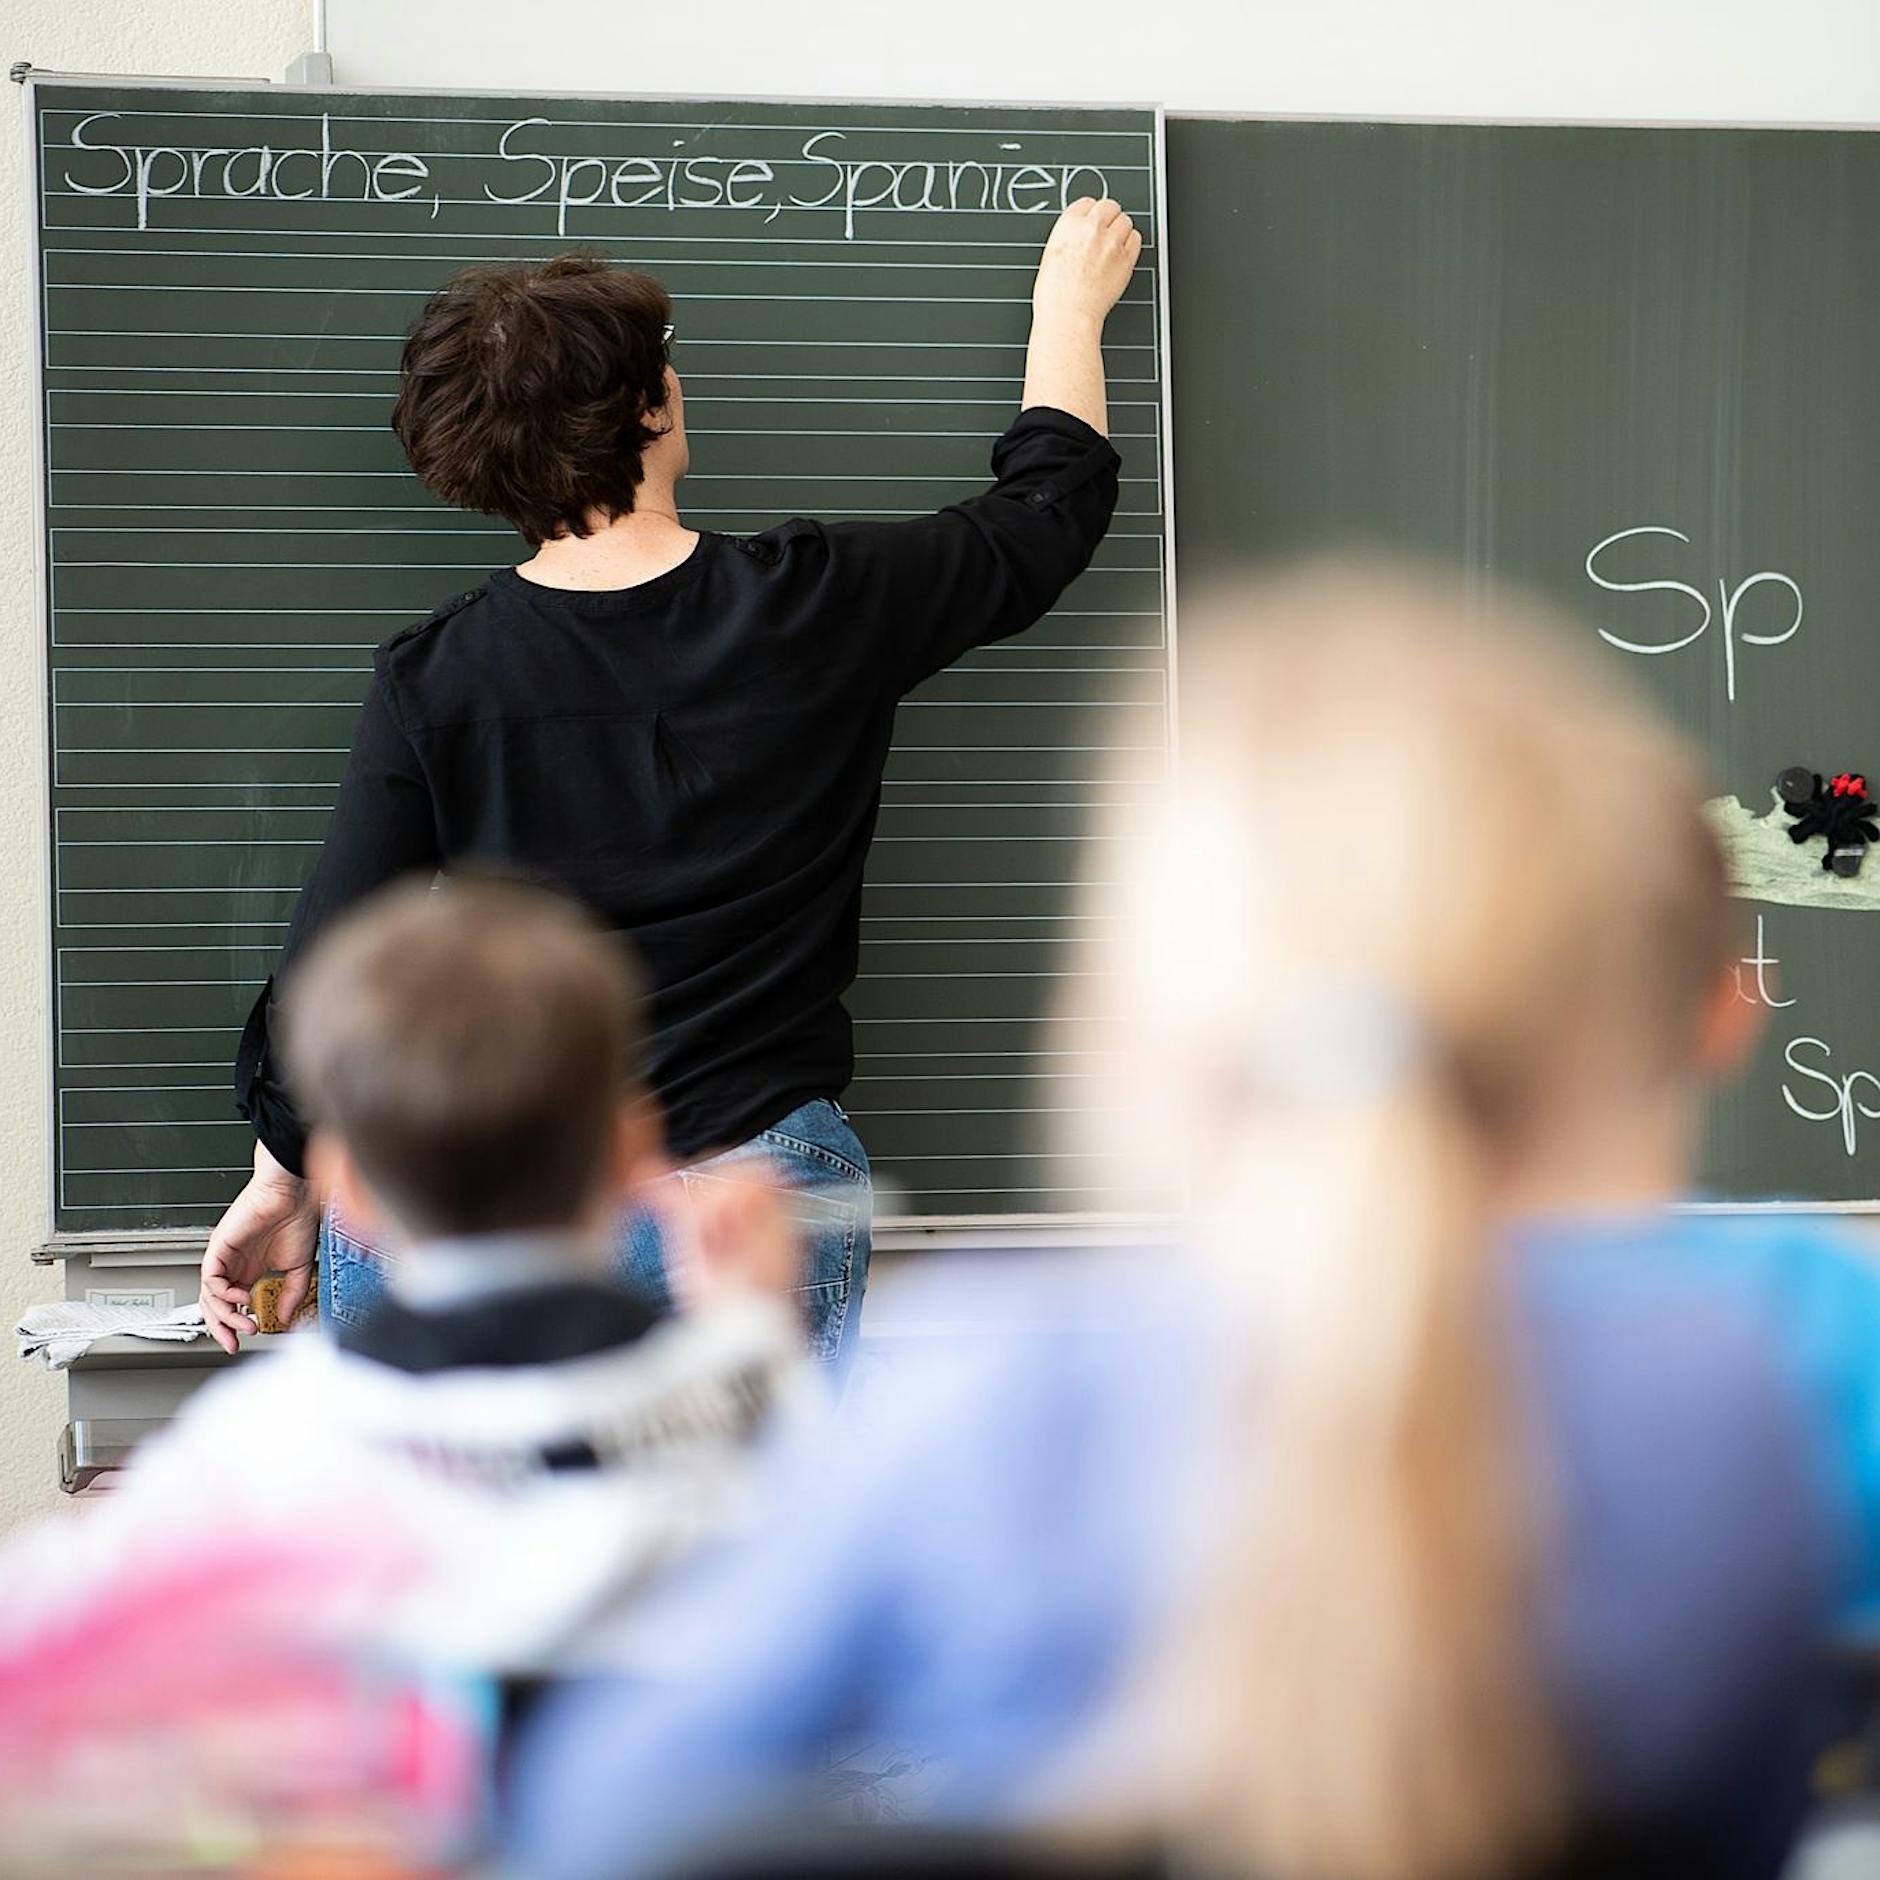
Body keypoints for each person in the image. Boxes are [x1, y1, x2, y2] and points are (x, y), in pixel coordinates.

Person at [506, 566, 1855, 1880]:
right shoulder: (1723, 1402)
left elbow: (604, 1824)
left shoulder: (984, 1388)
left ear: (1125, 1025)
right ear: (1599, 1021)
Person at [199, 198, 1144, 1365]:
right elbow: (1039, 521)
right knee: (752, 1540)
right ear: (649, 406)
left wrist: (280, 1174)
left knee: (466, 1545)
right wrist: (1067, 306)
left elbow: (328, 977)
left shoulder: (433, 678)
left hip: (479, 1204)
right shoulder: (814, 605)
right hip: (746, 1195)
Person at [0, 875, 810, 1693]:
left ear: (340, 1186)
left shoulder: (272, 1434)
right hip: (649, 1817)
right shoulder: (741, 1402)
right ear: (632, 1146)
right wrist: (750, 1315)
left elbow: (47, 1615)